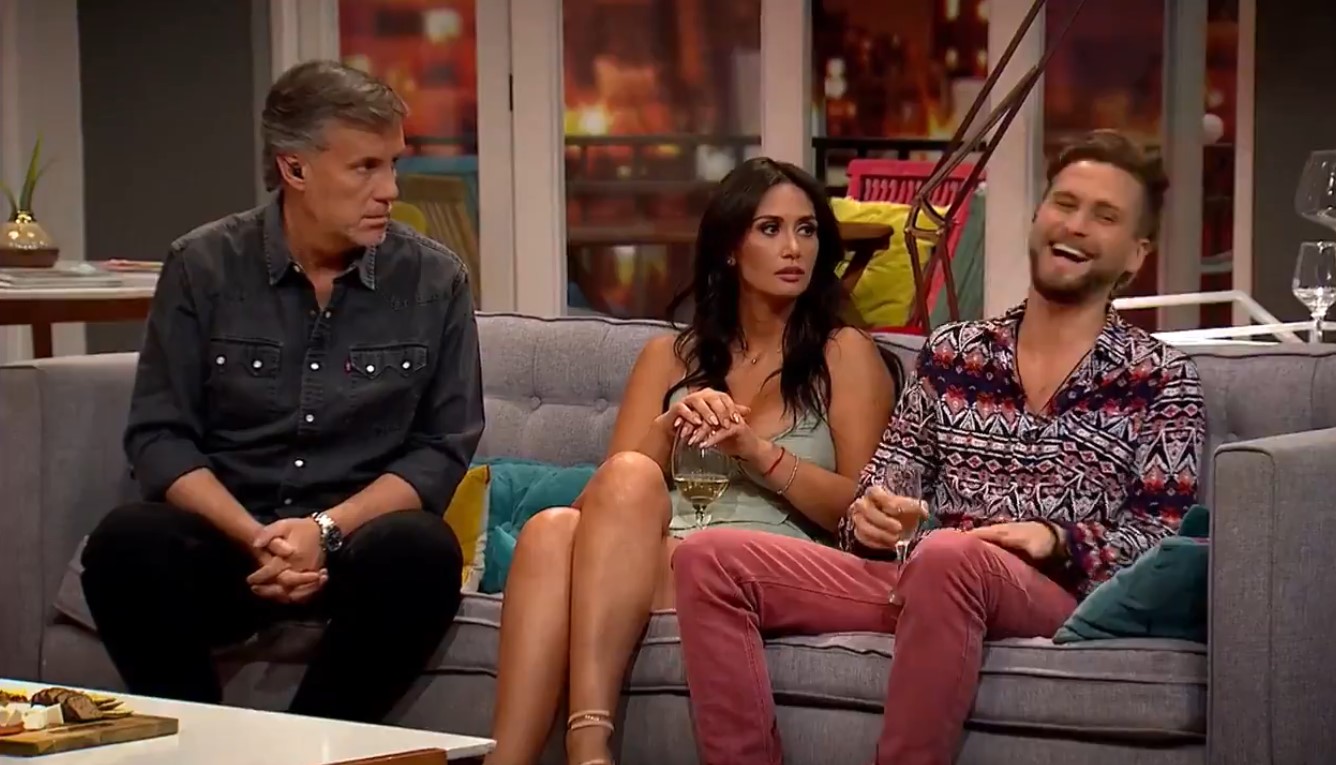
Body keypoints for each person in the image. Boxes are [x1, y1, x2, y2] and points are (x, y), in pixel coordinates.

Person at [671, 129, 1209, 764]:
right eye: (1065, 204)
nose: (1076, 225)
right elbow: (879, 493)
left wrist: (1055, 539)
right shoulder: (955, 352)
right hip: (923, 575)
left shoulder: (1161, 378)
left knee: (950, 555)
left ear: (1135, 254)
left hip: (1049, 590)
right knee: (709, 557)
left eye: (1105, 215)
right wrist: (873, 518)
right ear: (1038, 216)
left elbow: (1161, 545)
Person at [79, 60, 484, 724]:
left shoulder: (434, 281)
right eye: (365, 167)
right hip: (229, 544)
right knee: (125, 543)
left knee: (422, 550)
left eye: (393, 165)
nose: (389, 190)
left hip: (356, 551)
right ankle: (206, 744)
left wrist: (323, 531)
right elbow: (159, 436)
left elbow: (441, 449)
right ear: (294, 168)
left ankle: (311, 743)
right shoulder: (203, 265)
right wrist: (256, 537)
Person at [483, 158, 902, 765]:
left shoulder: (844, 354)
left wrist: (756, 451)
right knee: (553, 529)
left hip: (760, 565)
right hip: (650, 558)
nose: (794, 248)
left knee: (565, 532)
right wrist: (669, 427)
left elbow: (861, 512)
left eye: (807, 230)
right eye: (770, 229)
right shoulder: (668, 358)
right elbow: (601, 501)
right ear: (730, 248)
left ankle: (588, 745)